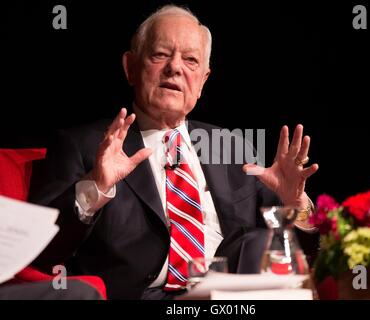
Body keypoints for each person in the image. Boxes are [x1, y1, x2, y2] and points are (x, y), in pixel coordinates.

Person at [29, 5, 319, 299]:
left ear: (203, 81)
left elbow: (299, 253)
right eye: (160, 55)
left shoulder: (230, 146)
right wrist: (96, 186)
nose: (175, 68)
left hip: (228, 294)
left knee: (260, 241)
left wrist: (296, 203)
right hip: (141, 295)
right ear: (130, 67)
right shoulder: (86, 145)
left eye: (190, 60)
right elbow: (41, 252)